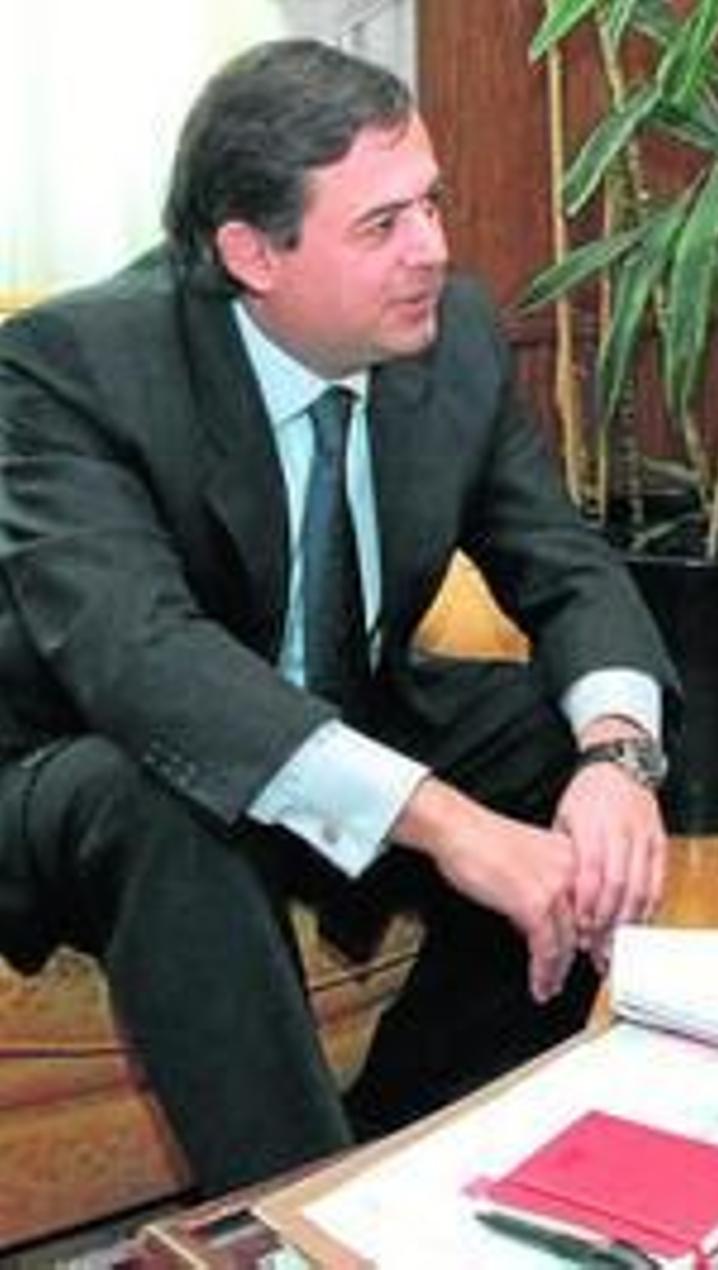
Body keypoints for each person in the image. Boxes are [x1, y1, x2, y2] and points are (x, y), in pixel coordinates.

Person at [0, 40, 680, 1193]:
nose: (435, 249)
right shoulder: (71, 368)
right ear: (251, 253)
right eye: (382, 225)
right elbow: (147, 667)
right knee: (165, 794)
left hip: (339, 715)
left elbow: (564, 566)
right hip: (76, 766)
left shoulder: (450, 336)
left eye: (431, 203)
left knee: (581, 738)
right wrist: (452, 826)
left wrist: (619, 760)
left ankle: (408, 1154)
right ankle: (298, 1217)